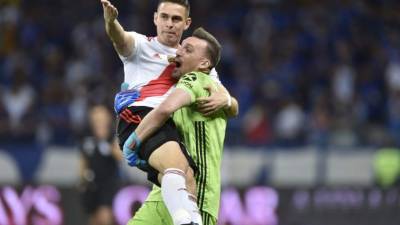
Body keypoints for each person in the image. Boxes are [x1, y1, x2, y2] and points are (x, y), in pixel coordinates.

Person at [100, 0, 238, 225]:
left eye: (176, 19)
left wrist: (227, 99)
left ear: (187, 23)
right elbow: (119, 38)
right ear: (155, 18)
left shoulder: (193, 59)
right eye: (164, 17)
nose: (169, 24)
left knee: (187, 176)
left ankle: (190, 219)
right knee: (177, 168)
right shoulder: (142, 45)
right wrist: (111, 22)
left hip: (166, 129)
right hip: (142, 119)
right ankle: (186, 220)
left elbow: (230, 104)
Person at [127, 27, 236, 225]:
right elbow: (233, 107)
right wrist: (229, 101)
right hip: (168, 191)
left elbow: (165, 109)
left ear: (204, 63)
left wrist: (134, 141)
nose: (179, 51)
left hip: (194, 195)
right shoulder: (205, 88)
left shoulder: (197, 79)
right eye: (181, 47)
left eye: (188, 50)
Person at [78, 104, 122, 225]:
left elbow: (120, 157)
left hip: (108, 183)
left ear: (108, 118)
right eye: (96, 117)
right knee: (93, 218)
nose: (98, 120)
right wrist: (82, 180)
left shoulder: (113, 135)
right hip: (92, 184)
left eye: (101, 117)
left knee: (105, 216)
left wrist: (105, 142)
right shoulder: (87, 136)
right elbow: (83, 159)